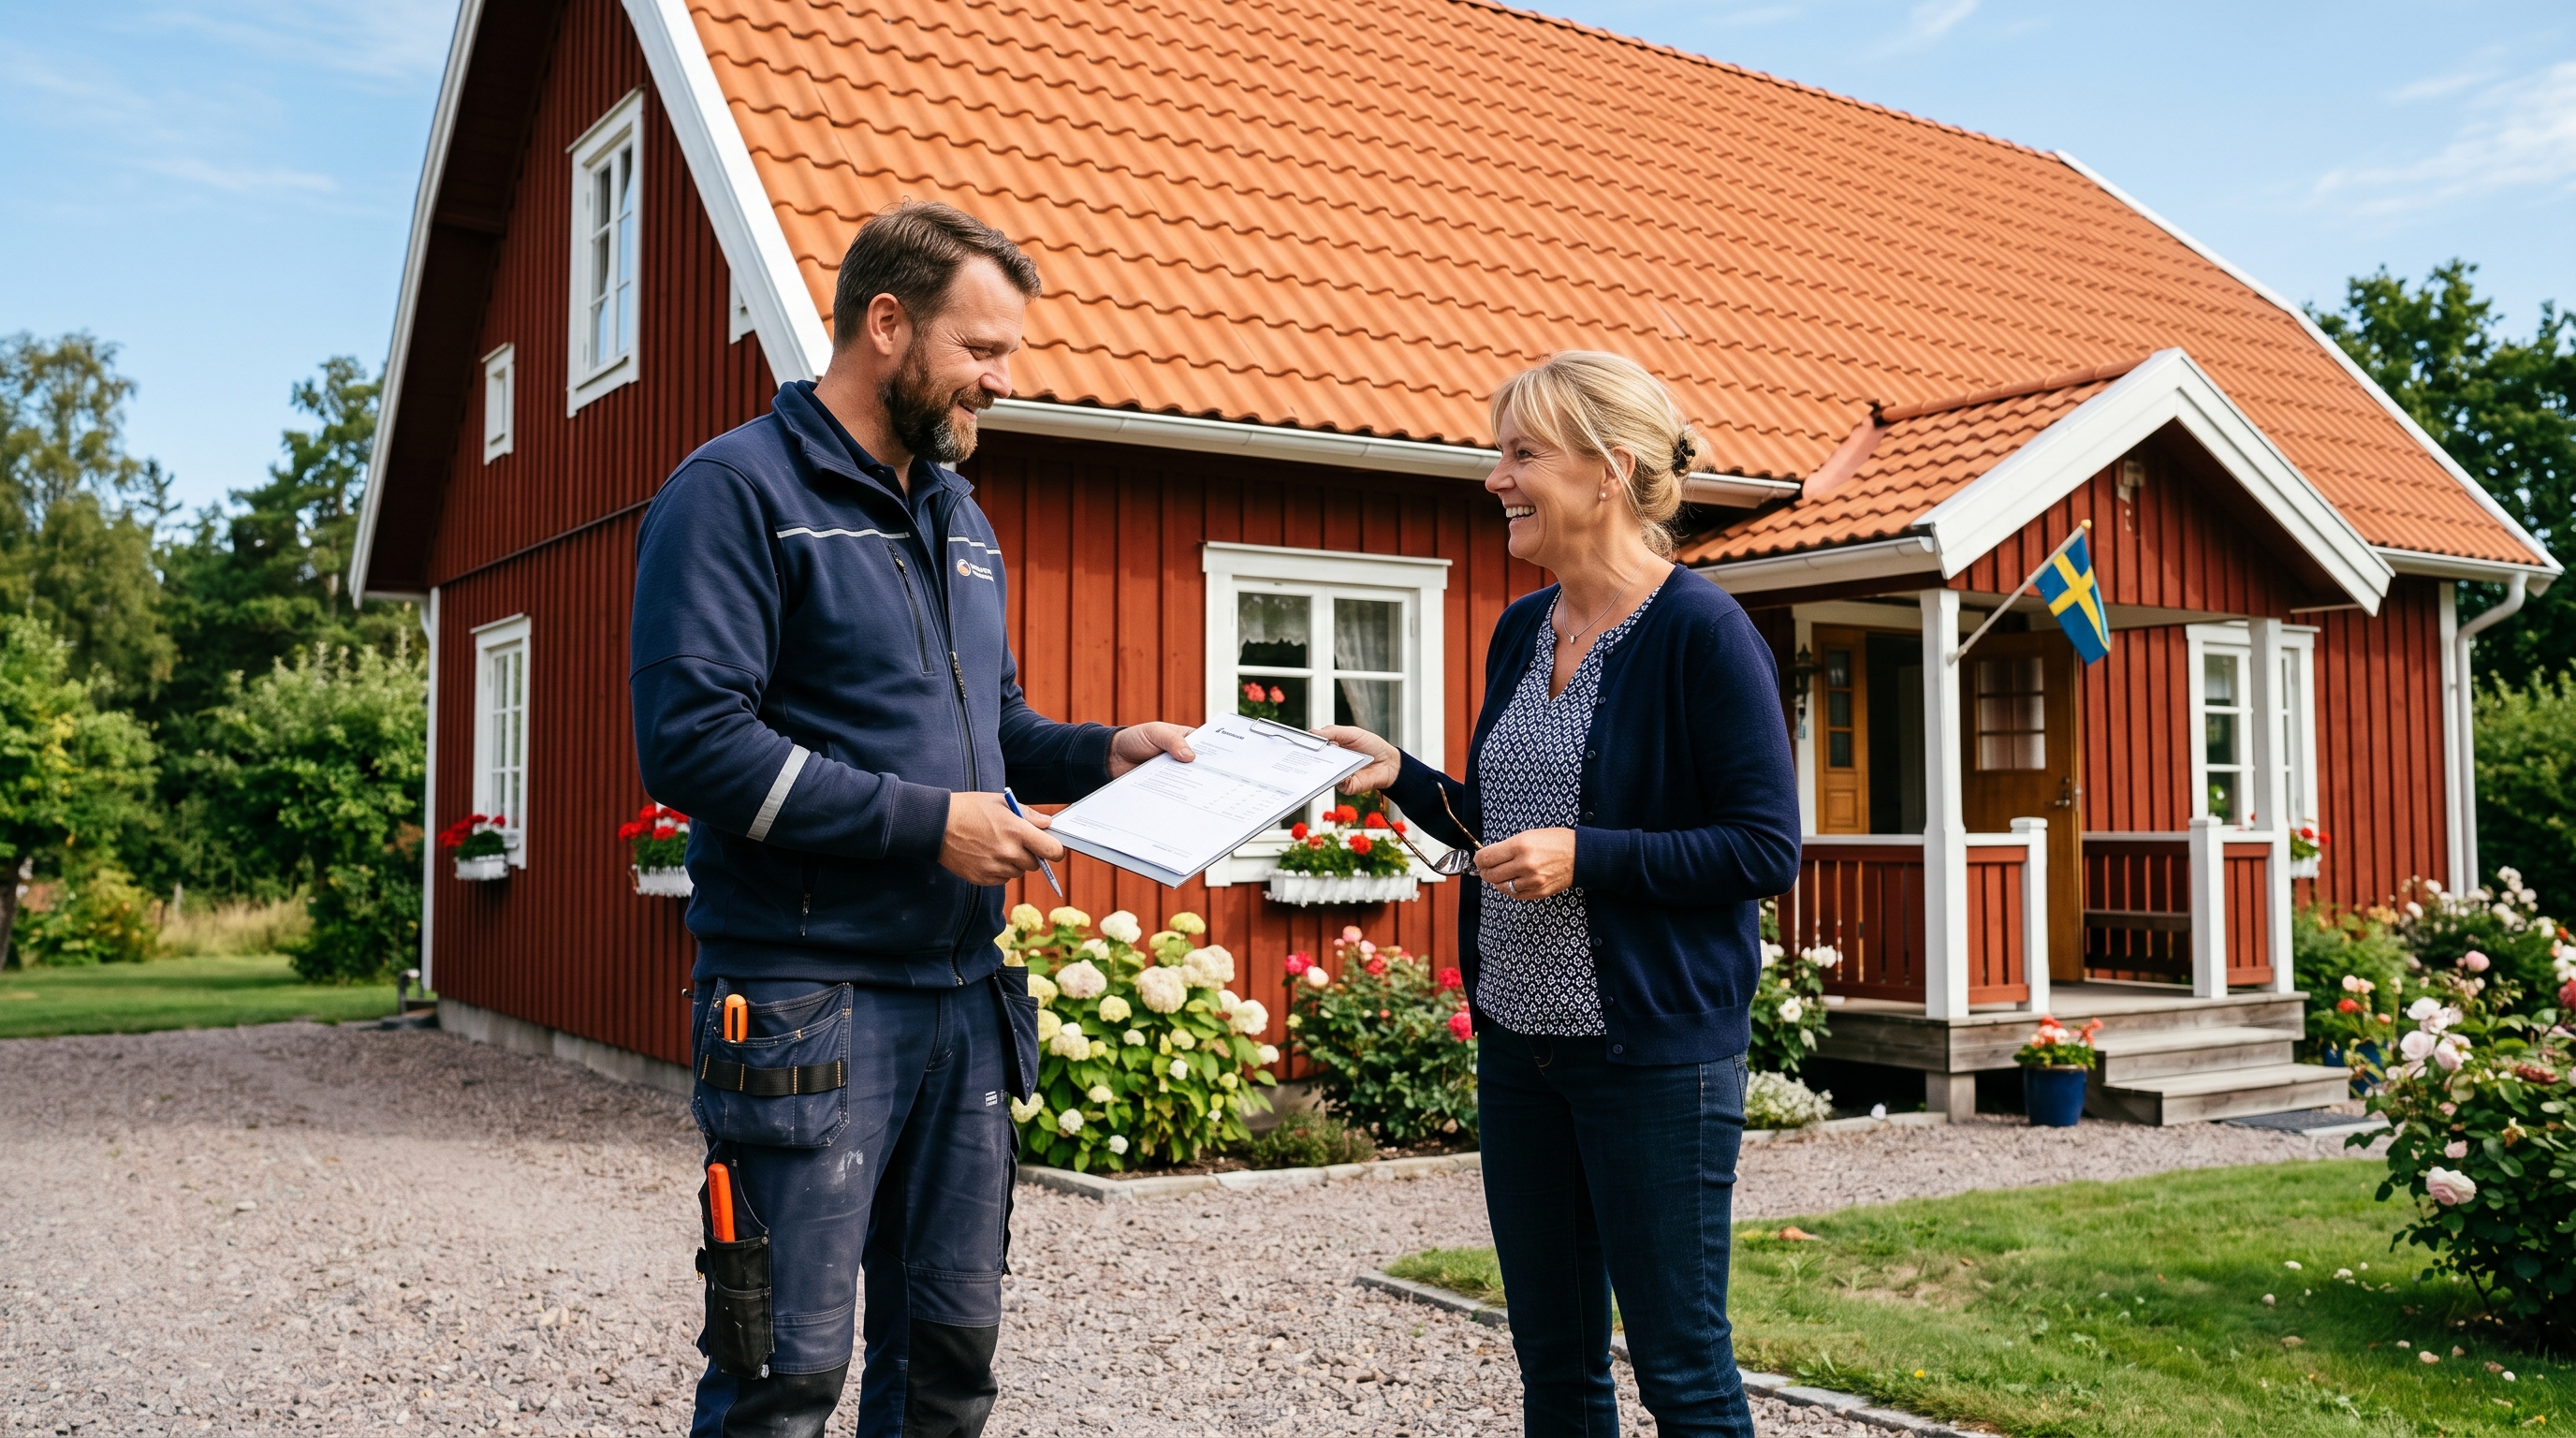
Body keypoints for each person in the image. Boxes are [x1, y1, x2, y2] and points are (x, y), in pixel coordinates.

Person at [631, 201, 1196, 1438]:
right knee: (778, 1375)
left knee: (947, 1372)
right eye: (982, 351)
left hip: (963, 1001)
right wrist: (929, 826)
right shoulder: (732, 493)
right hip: (802, 1002)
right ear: (887, 325)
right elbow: (694, 745)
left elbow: (992, 728)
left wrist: (1107, 751)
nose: (1003, 381)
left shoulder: (957, 517)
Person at [1321, 351, 1799, 1437]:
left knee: (1681, 1369)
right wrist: (1405, 775)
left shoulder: (1702, 634)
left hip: (1656, 1060)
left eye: (1520, 454)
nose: (1496, 478)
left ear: (1608, 472)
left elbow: (1762, 849)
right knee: (1555, 1369)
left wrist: (1588, 856)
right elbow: (1504, 831)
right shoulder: (1518, 630)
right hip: (1523, 1049)